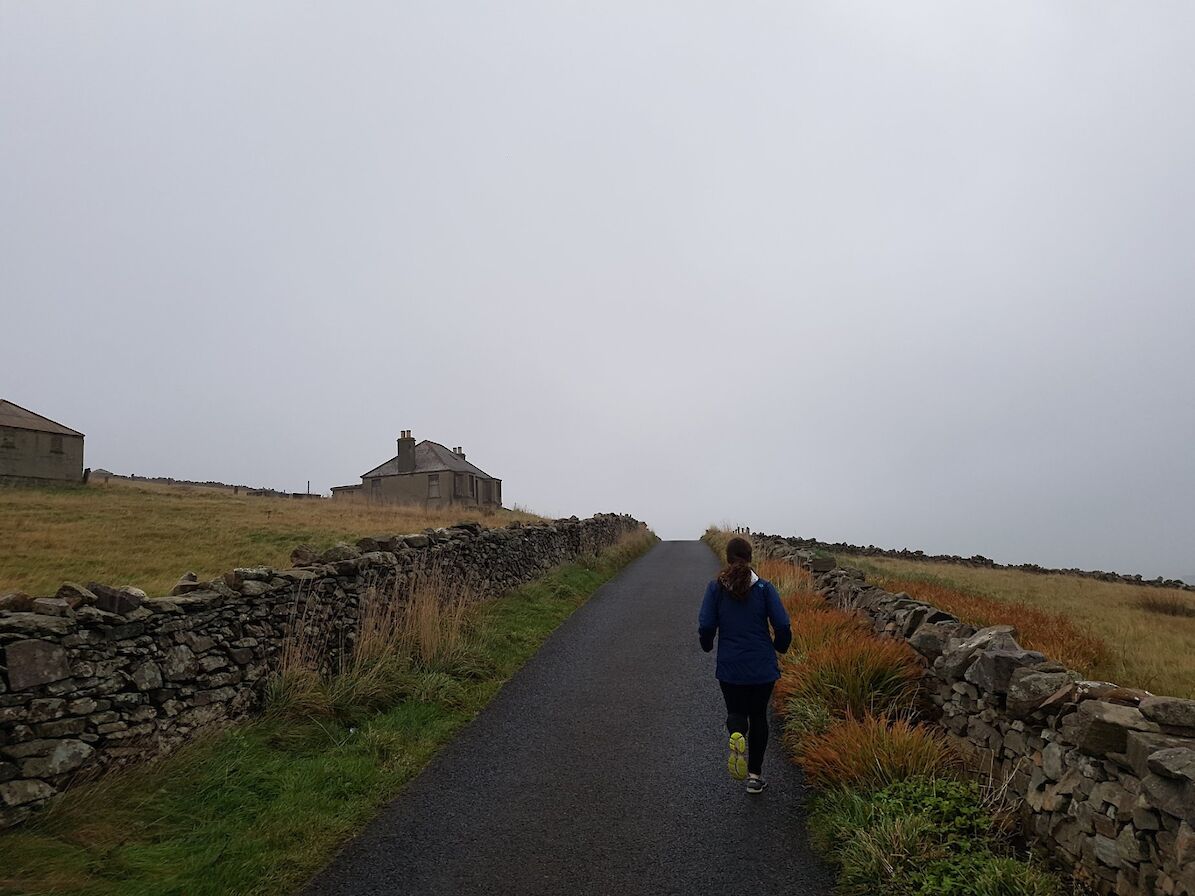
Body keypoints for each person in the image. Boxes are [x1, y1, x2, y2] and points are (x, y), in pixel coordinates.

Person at [698, 536, 792, 794]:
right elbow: (782, 624)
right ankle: (754, 776)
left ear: (727, 558)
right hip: (762, 666)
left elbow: (706, 624)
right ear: (750, 558)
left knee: (736, 711)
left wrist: (707, 644)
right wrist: (780, 646)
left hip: (730, 667)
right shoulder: (763, 588)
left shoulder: (716, 588)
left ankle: (737, 733)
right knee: (759, 716)